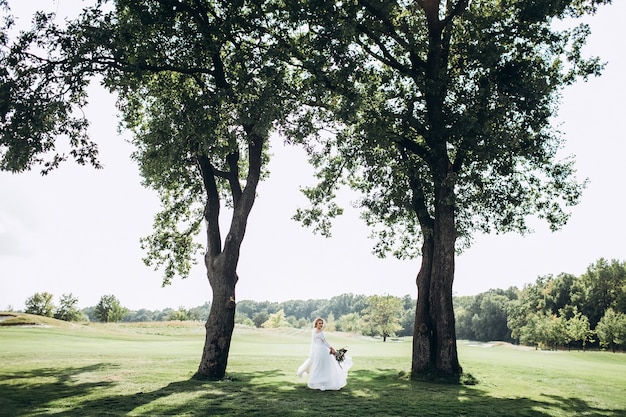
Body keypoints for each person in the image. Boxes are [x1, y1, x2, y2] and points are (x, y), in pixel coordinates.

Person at [297, 317, 352, 391]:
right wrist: (331, 348)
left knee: (322, 366)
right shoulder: (319, 332)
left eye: (322, 323)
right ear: (316, 324)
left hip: (319, 350)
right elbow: (324, 342)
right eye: (320, 323)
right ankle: (321, 382)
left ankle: (322, 382)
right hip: (321, 350)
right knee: (321, 366)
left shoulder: (314, 331)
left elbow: (316, 342)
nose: (321, 325)